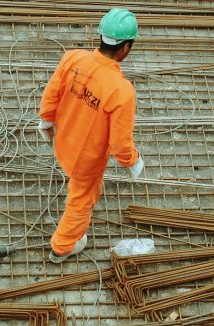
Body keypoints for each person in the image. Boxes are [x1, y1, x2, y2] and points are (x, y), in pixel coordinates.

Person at [37, 8, 145, 264]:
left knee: (77, 190)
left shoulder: (73, 59)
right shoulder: (121, 91)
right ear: (126, 48)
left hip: (62, 140)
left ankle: (66, 240)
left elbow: (51, 93)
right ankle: (61, 247)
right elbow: (120, 143)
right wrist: (133, 161)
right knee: (81, 201)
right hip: (86, 159)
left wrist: (46, 120)